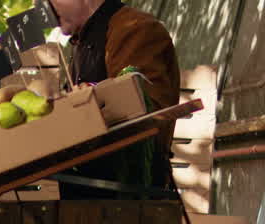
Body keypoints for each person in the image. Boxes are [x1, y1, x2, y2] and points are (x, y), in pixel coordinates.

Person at [48, 0, 180, 193]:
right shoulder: (80, 41)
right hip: (88, 188)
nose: (44, 6)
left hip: (128, 195)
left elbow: (145, 120)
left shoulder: (136, 28)